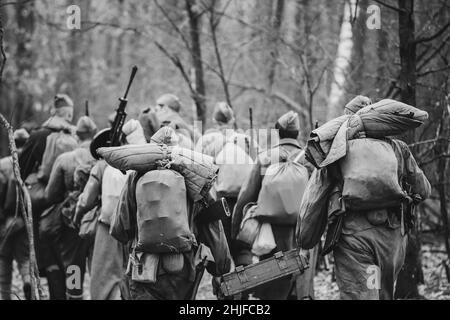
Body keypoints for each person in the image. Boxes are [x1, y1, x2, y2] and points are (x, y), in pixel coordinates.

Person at [112, 126, 233, 300]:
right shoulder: (195, 178)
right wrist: (220, 269)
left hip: (143, 270)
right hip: (182, 271)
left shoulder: (135, 177)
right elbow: (213, 227)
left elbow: (120, 229)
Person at [329, 96, 431, 300]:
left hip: (356, 240)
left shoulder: (338, 151)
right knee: (381, 292)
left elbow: (319, 195)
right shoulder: (399, 149)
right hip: (391, 241)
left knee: (365, 293)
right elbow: (424, 189)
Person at [232, 111, 315, 300]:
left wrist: (236, 232)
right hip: (302, 232)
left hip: (270, 235)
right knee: (300, 282)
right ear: (298, 134)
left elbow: (245, 197)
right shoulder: (309, 160)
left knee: (273, 283)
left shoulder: (265, 158)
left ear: (278, 133)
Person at [74, 120, 146, 300]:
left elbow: (85, 200)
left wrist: (77, 217)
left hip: (108, 227)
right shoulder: (137, 162)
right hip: (136, 229)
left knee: (104, 277)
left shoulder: (102, 165)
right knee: (130, 274)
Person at [17, 94, 78, 300]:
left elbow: (20, 171)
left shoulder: (37, 136)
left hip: (45, 210)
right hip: (72, 209)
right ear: (69, 113)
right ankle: (74, 294)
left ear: (53, 112)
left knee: (51, 260)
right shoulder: (76, 138)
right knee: (72, 262)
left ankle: (57, 296)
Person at [44, 114, 97, 300]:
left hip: (73, 222)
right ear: (95, 134)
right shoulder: (105, 158)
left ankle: (74, 295)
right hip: (102, 222)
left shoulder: (65, 159)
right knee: (102, 268)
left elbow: (50, 195)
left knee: (74, 265)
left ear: (78, 135)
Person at [0, 129, 31, 300]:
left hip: (5, 222)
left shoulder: (2, 164)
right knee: (24, 259)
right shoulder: (30, 163)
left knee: (4, 261)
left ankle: (5, 296)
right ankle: (27, 282)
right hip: (24, 221)